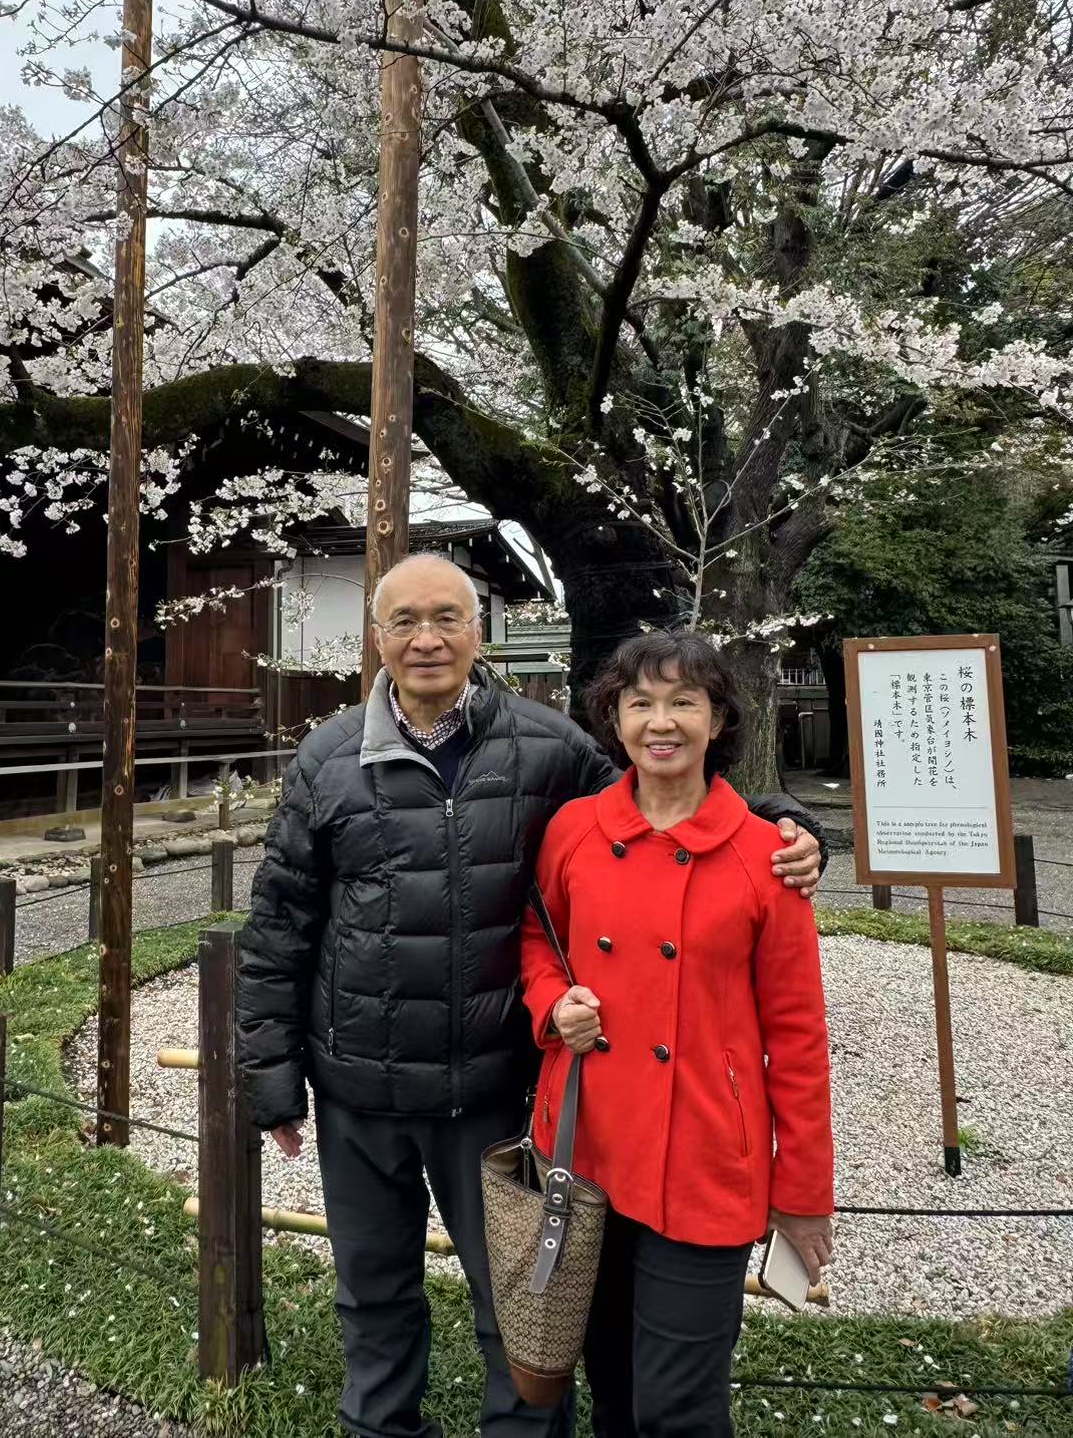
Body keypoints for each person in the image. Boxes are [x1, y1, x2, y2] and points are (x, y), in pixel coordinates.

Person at [237, 557, 827, 1438]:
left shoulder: (547, 746)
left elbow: (660, 795)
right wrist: (272, 1076)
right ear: (377, 636)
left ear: (479, 630)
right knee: (371, 1292)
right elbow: (281, 920)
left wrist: (785, 822)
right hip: (357, 1082)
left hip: (488, 1084)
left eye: (447, 618)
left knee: (520, 1304)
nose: (427, 639)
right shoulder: (328, 756)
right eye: (405, 622)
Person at [521, 629, 835, 1438]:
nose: (661, 722)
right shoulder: (574, 829)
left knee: (678, 1407)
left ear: (719, 718)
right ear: (614, 719)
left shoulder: (767, 856)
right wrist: (553, 1002)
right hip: (586, 1145)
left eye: (684, 702)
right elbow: (537, 938)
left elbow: (798, 1036)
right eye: (640, 703)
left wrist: (802, 1194)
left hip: (704, 1157)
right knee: (611, 1385)